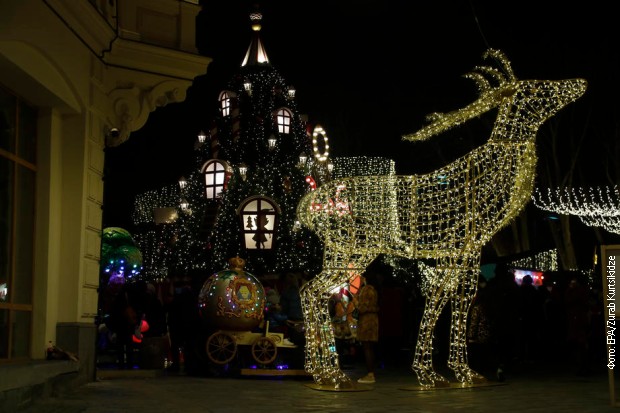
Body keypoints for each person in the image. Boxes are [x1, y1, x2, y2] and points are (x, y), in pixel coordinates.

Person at [353, 272, 380, 384]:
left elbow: (362, 308)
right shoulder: (373, 289)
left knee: (367, 347)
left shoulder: (367, 289)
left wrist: (355, 301)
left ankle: (370, 374)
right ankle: (370, 373)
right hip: (372, 320)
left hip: (366, 321)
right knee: (369, 347)